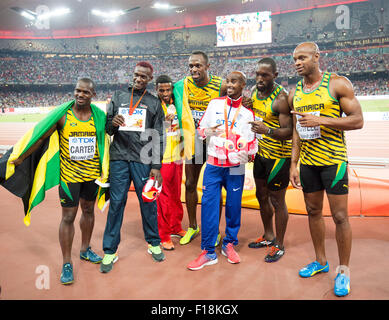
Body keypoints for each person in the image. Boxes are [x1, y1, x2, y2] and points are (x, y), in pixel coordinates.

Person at [5, 78, 108, 285]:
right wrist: (22, 157)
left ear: (93, 95)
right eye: (77, 91)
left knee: (88, 211)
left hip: (91, 176)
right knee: (68, 217)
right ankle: (67, 263)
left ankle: (85, 249)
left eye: (85, 92)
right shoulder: (63, 116)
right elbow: (42, 138)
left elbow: (107, 139)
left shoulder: (99, 116)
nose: (80, 95)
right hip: (69, 177)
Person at [289, 42, 363, 297]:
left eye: (302, 58)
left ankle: (343, 271)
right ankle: (320, 261)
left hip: (334, 161)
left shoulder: (337, 84)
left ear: (317, 57)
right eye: (295, 59)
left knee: (340, 217)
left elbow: (357, 120)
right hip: (308, 163)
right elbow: (297, 130)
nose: (297, 62)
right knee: (312, 212)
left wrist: (321, 119)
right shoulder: (295, 91)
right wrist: (293, 164)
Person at [187, 71, 257, 270]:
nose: (229, 84)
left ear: (243, 85)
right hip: (214, 165)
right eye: (227, 80)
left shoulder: (248, 113)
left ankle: (229, 244)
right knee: (209, 207)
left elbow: (251, 145)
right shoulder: (214, 104)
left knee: (234, 207)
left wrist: (244, 151)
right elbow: (200, 130)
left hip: (236, 167)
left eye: (234, 81)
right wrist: (209, 131)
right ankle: (209, 251)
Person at [100, 61, 166, 273]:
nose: (138, 79)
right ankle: (110, 250)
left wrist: (156, 165)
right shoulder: (118, 97)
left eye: (143, 77)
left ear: (149, 80)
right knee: (117, 203)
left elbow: (158, 136)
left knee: (148, 201)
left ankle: (153, 242)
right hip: (119, 157)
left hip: (143, 160)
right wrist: (113, 123)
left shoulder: (154, 103)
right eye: (136, 75)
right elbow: (107, 129)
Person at [247, 57, 292, 263]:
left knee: (277, 200)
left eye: (264, 75)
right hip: (261, 154)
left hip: (279, 157)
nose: (259, 78)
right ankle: (268, 235)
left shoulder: (281, 98)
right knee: (261, 196)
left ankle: (279, 244)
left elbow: (290, 132)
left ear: (274, 75)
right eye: (257, 74)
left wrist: (268, 130)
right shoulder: (256, 92)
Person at [155, 75, 186, 250]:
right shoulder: (154, 106)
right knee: (163, 198)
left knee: (175, 194)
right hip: (162, 158)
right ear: (156, 90)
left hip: (177, 155)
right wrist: (164, 125)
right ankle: (164, 234)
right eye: (162, 90)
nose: (165, 93)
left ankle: (175, 226)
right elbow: (150, 132)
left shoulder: (177, 103)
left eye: (168, 90)